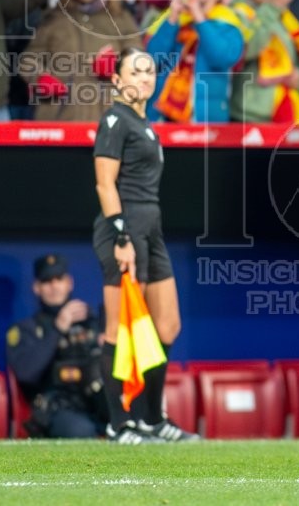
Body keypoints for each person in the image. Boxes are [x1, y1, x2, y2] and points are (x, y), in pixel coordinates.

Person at [92, 47, 198, 444]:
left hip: (151, 228)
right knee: (118, 330)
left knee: (166, 326)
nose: (145, 78)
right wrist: (121, 236)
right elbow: (105, 183)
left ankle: (152, 419)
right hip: (123, 231)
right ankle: (118, 423)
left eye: (150, 71)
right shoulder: (115, 119)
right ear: (117, 80)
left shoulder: (144, 123)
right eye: (135, 72)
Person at [21, 0, 142, 122]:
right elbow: (28, 59)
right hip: (59, 121)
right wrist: (40, 78)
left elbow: (138, 56)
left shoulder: (119, 17)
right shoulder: (54, 19)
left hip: (109, 121)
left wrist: (117, 64)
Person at [6, 254, 107, 438]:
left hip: (97, 401)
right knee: (81, 431)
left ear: (69, 283)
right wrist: (58, 328)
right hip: (58, 408)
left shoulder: (93, 322)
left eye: (59, 279)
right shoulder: (26, 329)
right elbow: (26, 373)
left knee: (132, 418)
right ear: (36, 288)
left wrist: (109, 346)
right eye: (46, 281)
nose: (54, 286)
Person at [145, 0, 244, 123]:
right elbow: (153, 61)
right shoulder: (176, 22)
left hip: (204, 118)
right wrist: (173, 16)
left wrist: (199, 18)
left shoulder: (229, 25)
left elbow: (221, 57)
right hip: (163, 116)